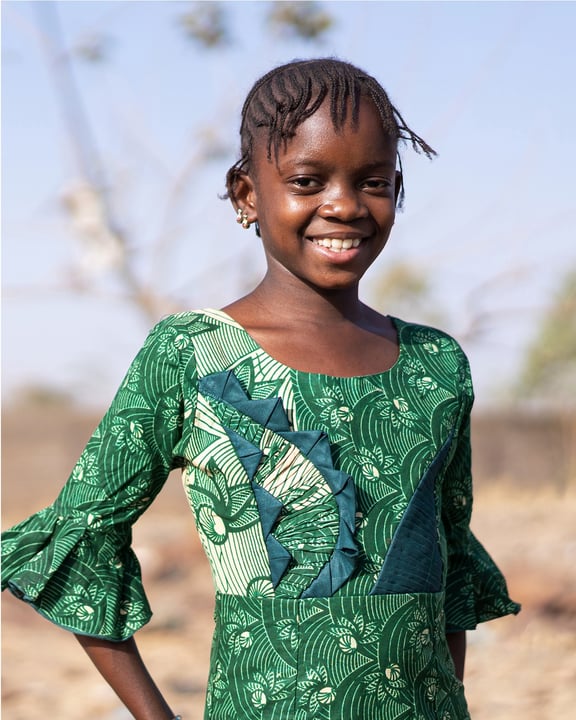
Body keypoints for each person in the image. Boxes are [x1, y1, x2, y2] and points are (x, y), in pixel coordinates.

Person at [1, 58, 520, 720]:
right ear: (247, 194)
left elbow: (448, 574)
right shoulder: (193, 355)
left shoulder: (435, 365)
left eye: (373, 182)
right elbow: (77, 543)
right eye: (308, 181)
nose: (344, 205)